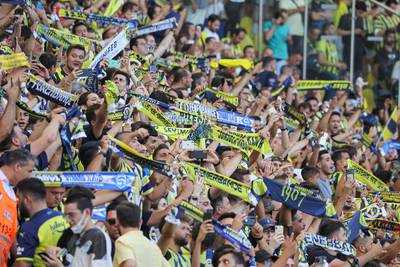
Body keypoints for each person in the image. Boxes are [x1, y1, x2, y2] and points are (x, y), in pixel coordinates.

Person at [44, 186, 113, 267]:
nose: (67, 220)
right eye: (65, 215)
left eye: (71, 215)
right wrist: (57, 251)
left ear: (87, 212)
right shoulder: (72, 233)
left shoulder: (98, 237)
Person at [14, 178, 68, 267]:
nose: (18, 202)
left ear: (27, 199)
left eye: (18, 198)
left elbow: (22, 264)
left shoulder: (30, 226)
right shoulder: (63, 217)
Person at [0, 149, 35, 266]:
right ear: (17, 166)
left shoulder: (12, 194)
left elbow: (11, 232)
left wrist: (21, 258)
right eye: (29, 171)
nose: (31, 176)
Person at [113, 201, 169, 267]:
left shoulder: (123, 242)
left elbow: (130, 264)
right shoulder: (153, 247)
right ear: (140, 222)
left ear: (116, 222)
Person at [264, 10, 290, 75]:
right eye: (284, 18)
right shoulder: (268, 24)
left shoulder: (286, 26)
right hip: (271, 55)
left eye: (287, 18)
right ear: (279, 17)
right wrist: (274, 25)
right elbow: (267, 38)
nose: (286, 20)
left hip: (282, 56)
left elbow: (289, 39)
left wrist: (289, 38)